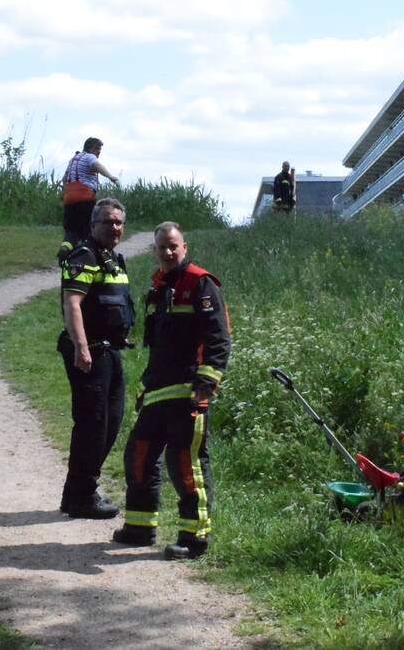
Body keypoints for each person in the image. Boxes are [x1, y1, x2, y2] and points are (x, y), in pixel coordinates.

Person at [113, 221, 231, 560]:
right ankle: (139, 528)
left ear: (184, 247)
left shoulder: (201, 284)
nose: (166, 252)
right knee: (138, 456)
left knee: (185, 466)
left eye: (172, 246)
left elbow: (219, 339)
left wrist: (206, 382)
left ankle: (194, 538)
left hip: (189, 393)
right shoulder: (160, 286)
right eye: (161, 246)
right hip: (158, 392)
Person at [57, 198, 134, 519]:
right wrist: (81, 346)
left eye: (118, 222)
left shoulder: (113, 259)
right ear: (93, 225)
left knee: (111, 423)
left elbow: (112, 303)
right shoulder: (84, 256)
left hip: (110, 350)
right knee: (93, 424)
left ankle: (74, 493)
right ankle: (84, 495)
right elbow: (72, 303)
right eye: (107, 222)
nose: (113, 227)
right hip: (90, 352)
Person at [57, 137, 120, 265]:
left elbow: (65, 178)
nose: (99, 152)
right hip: (85, 199)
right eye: (97, 149)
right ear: (90, 148)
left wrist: (64, 194)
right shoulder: (89, 157)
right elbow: (97, 165)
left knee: (71, 230)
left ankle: (65, 248)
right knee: (91, 230)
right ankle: (95, 259)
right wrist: (111, 177)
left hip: (69, 200)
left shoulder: (73, 160)